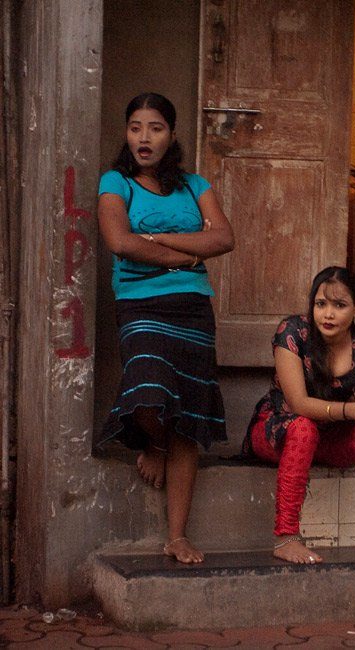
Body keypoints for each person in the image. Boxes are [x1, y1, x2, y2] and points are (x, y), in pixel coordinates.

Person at [96, 93, 235, 564]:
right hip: (140, 307)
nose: (144, 138)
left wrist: (154, 240)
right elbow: (119, 241)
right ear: (126, 133)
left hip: (193, 310)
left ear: (171, 134)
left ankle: (177, 535)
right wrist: (190, 254)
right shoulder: (116, 183)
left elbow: (223, 237)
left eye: (154, 128)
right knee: (149, 388)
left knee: (189, 414)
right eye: (135, 127)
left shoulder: (195, 185)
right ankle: (151, 440)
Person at [243, 266, 355, 572]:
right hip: (278, 432)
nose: (328, 314)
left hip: (329, 438)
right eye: (321, 304)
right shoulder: (292, 333)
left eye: (340, 305)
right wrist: (353, 411)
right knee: (303, 428)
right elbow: (298, 404)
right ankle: (286, 538)